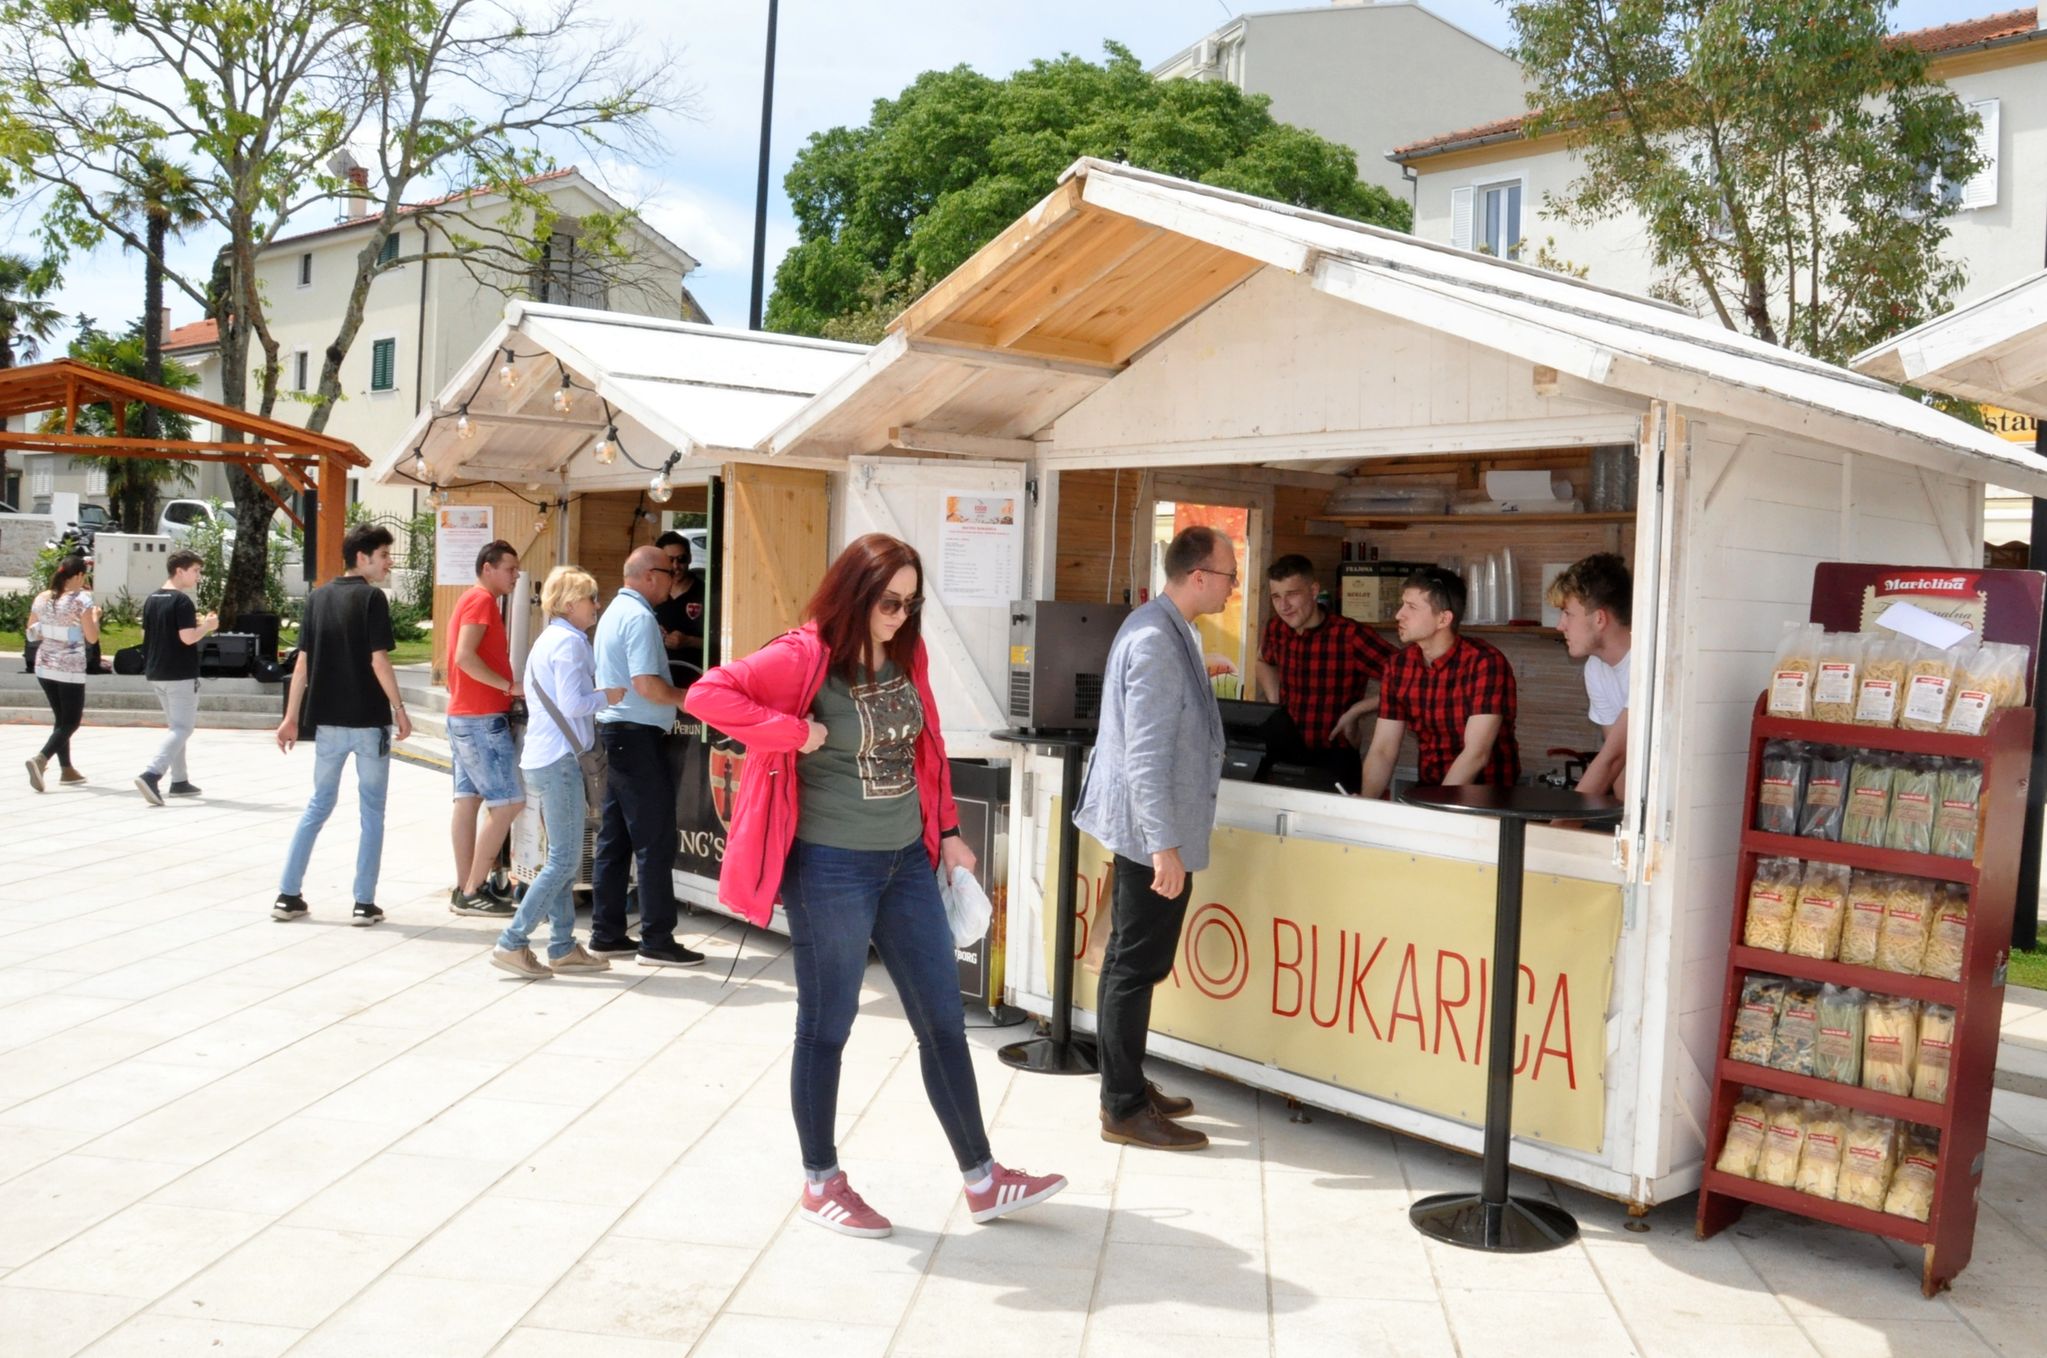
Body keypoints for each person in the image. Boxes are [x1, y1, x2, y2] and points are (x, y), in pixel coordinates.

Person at [685, 532, 1068, 1237]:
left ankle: (983, 1180)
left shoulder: (905, 654)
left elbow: (927, 746)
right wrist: (786, 733)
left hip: (906, 863)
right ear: (856, 593)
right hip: (830, 866)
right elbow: (710, 693)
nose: (899, 615)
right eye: (888, 602)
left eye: (911, 603)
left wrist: (949, 834)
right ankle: (820, 1181)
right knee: (826, 1026)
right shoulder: (802, 658)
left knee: (942, 1021)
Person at [1073, 525, 1235, 1152]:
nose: (1232, 587)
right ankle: (1123, 1107)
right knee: (1135, 966)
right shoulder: (1156, 641)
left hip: (1149, 827)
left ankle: (1128, 1083)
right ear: (1199, 576)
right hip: (1150, 832)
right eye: (1228, 576)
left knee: (1129, 961)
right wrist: (1163, 846)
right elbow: (1144, 755)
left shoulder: (1165, 627)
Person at [272, 523, 413, 927]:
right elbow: (378, 660)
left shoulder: (317, 598)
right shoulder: (372, 599)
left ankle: (287, 894)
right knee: (372, 812)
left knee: (318, 805)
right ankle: (363, 903)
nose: (388, 563)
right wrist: (399, 708)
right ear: (362, 557)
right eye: (384, 555)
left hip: (328, 722)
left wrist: (290, 717)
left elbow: (302, 662)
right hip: (369, 722)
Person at [491, 566, 625, 978]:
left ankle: (563, 944)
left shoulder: (547, 639)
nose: (596, 606)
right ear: (570, 604)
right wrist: (608, 695)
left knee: (559, 857)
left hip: (542, 757)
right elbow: (573, 702)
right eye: (591, 599)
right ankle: (513, 942)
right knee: (565, 860)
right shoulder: (571, 644)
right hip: (560, 761)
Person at [588, 545, 704, 968]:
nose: (675, 575)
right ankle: (657, 938)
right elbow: (646, 684)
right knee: (654, 838)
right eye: (670, 569)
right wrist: (689, 699)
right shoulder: (637, 617)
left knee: (615, 838)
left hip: (619, 734)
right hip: (636, 737)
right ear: (651, 575)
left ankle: (607, 932)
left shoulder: (615, 612)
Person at [1357, 566, 1520, 800]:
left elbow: (1476, 753)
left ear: (1444, 618)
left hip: (1489, 799)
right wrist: (1366, 803)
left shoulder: (1484, 662)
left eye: (1411, 607)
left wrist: (1436, 812)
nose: (1398, 614)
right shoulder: (1398, 666)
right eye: (1403, 604)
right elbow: (1383, 748)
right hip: (1430, 791)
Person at [1253, 554, 1395, 791]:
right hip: (1284, 754)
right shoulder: (1276, 628)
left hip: (1334, 758)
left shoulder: (1349, 635)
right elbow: (1262, 661)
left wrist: (1357, 711)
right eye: (1276, 597)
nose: (1283, 606)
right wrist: (1275, 700)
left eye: (1292, 594)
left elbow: (1411, 680)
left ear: (1314, 590)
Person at [446, 540, 526, 918]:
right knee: (509, 803)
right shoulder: (481, 601)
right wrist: (508, 687)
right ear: (488, 567)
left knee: (467, 802)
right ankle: (473, 888)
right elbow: (464, 656)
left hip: (464, 715)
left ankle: (466, 886)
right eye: (510, 568)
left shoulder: (469, 599)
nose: (516, 575)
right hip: (480, 717)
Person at [134, 549, 219, 806]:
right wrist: (208, 626)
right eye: (195, 571)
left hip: (156, 671)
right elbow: (187, 637)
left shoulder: (152, 599)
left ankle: (180, 780)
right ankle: (152, 774)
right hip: (179, 673)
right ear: (179, 570)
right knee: (183, 728)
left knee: (176, 728)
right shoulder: (181, 601)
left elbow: (143, 636)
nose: (198, 576)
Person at [1549, 552, 1633, 798]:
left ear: (1599, 618)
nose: (1559, 625)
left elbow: (1612, 759)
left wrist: (1558, 832)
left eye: (1568, 614)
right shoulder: (1595, 668)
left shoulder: (1648, 666)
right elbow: (1619, 765)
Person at [24, 555, 98, 792]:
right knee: (72, 721)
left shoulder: (42, 597)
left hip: (44, 664)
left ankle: (67, 769)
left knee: (61, 718)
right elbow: (92, 637)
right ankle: (41, 759)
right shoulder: (81, 600)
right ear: (78, 576)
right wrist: (95, 617)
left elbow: (31, 632)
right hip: (70, 667)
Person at [651, 530, 708, 668]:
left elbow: (720, 642)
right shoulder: (651, 593)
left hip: (695, 674)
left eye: (681, 559)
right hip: (658, 676)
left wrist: (689, 641)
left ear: (689, 558)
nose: (676, 566)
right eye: (670, 560)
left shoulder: (706, 593)